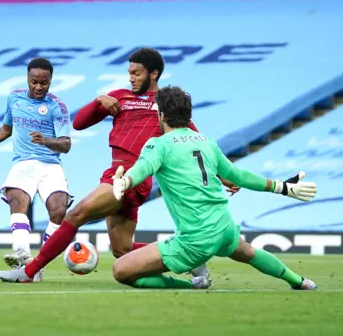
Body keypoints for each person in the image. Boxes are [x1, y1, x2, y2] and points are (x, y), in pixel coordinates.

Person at [0, 48, 237, 284]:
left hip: (131, 177)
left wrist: (222, 174)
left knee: (75, 215)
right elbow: (78, 124)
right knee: (123, 250)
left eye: (137, 73)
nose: (131, 78)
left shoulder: (165, 106)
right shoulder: (120, 96)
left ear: (153, 74)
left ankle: (29, 271)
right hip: (115, 173)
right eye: (129, 73)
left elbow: (195, 141)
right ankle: (191, 259)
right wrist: (99, 101)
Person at [110, 86, 317, 290]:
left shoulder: (159, 144)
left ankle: (193, 285)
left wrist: (125, 181)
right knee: (248, 252)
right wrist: (282, 187)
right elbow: (238, 176)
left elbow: (143, 168)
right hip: (223, 226)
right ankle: (300, 282)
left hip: (196, 238)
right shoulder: (206, 142)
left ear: (161, 114)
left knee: (121, 270)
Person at [0, 58, 72, 281]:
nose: (38, 87)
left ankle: (38, 265)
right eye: (34, 82)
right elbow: (6, 130)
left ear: (51, 81)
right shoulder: (14, 98)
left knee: (58, 210)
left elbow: (66, 144)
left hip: (49, 165)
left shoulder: (58, 107)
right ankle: (22, 254)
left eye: (44, 83)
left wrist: (45, 141)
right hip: (22, 164)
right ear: (27, 78)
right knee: (16, 199)